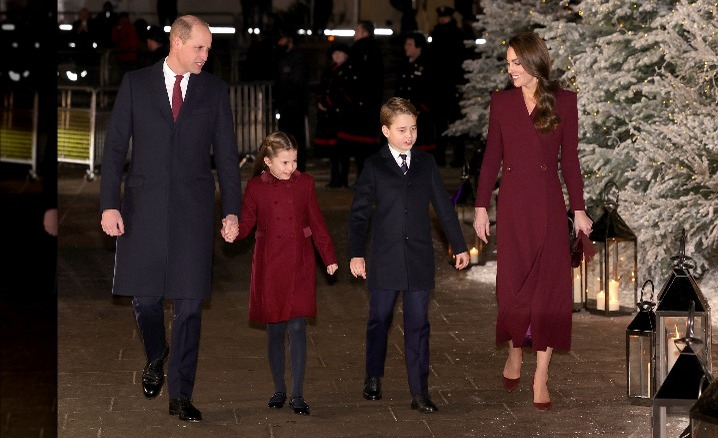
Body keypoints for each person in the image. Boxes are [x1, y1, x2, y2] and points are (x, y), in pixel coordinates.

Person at [99, 15, 243, 423]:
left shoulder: (214, 90)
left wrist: (232, 209)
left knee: (191, 306)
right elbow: (114, 150)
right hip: (142, 209)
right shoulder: (136, 84)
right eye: (200, 48)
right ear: (176, 43)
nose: (205, 56)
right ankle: (156, 354)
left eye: (209, 49)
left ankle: (181, 394)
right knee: (144, 301)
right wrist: (109, 203)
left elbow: (228, 157)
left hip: (194, 211)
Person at [472, 32, 593, 410]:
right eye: (507, 63)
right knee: (511, 288)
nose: (510, 70)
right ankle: (514, 352)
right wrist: (479, 207)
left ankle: (541, 375)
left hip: (547, 205)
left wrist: (579, 209)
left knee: (549, 292)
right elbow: (492, 156)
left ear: (534, 63)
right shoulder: (502, 103)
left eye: (516, 63)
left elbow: (569, 161)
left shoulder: (565, 102)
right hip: (512, 206)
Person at [349, 97, 470, 414]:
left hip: (418, 258)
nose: (409, 136)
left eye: (413, 129)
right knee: (380, 319)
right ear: (386, 130)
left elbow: (443, 207)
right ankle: (373, 373)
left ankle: (420, 391)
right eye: (402, 130)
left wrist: (458, 245)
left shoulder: (426, 164)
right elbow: (359, 214)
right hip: (385, 259)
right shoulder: (374, 166)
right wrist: (356, 254)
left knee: (419, 324)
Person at [224, 131, 338, 416]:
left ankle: (297, 393)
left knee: (298, 328)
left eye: (294, 161)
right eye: (285, 162)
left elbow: (317, 221)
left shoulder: (305, 184)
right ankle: (279, 388)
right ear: (268, 162)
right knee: (275, 330)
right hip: (269, 265)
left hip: (299, 262)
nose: (291, 168)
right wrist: (234, 232)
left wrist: (329, 257)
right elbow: (247, 222)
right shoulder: (255, 187)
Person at [335, 20, 384, 183]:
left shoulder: (361, 50)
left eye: (357, 31)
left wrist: (353, 98)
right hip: (366, 105)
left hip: (358, 106)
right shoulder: (375, 50)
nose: (355, 34)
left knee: (357, 145)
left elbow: (358, 78)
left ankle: (359, 178)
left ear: (365, 33)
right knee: (363, 146)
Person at [428, 5, 466, 168]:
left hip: (451, 83)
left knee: (453, 121)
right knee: (441, 123)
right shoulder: (437, 34)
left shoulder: (455, 35)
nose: (442, 20)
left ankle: (456, 155)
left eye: (445, 17)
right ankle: (442, 155)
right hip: (441, 85)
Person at [313, 43, 350, 187]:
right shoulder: (329, 71)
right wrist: (320, 102)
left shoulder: (347, 71)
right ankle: (334, 177)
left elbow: (343, 93)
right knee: (333, 151)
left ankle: (343, 178)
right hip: (329, 114)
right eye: (335, 53)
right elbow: (322, 88)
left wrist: (329, 103)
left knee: (342, 149)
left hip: (340, 114)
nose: (337, 56)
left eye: (340, 53)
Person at [274, 32, 309, 172]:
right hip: (287, 104)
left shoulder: (297, 58)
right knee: (287, 138)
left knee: (295, 137)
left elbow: (295, 82)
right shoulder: (285, 58)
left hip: (294, 105)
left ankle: (298, 166)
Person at [395, 31, 435, 153]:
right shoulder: (404, 65)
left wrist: (422, 108)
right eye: (406, 44)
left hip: (420, 114)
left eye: (410, 44)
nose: (406, 47)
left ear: (419, 47)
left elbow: (431, 90)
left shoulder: (427, 65)